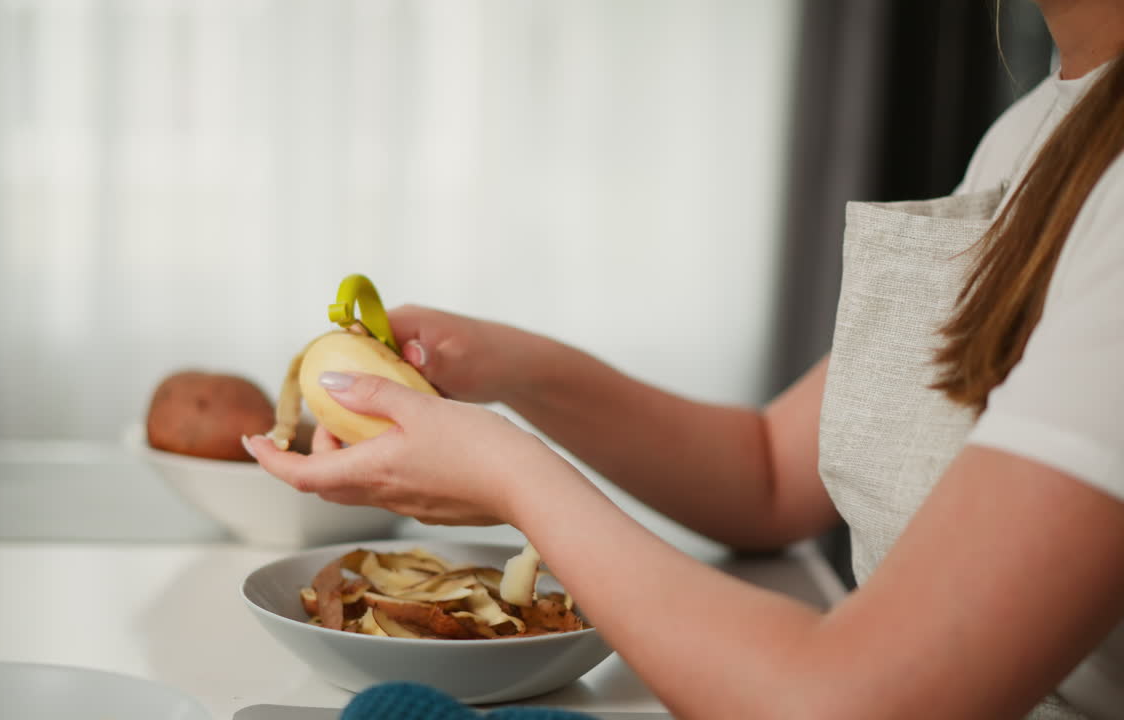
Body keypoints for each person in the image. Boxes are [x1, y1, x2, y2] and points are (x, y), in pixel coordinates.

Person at [244, 2, 1124, 718]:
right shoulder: (1033, 130)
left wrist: (510, 478)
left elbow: (848, 701)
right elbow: (770, 474)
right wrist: (508, 369)